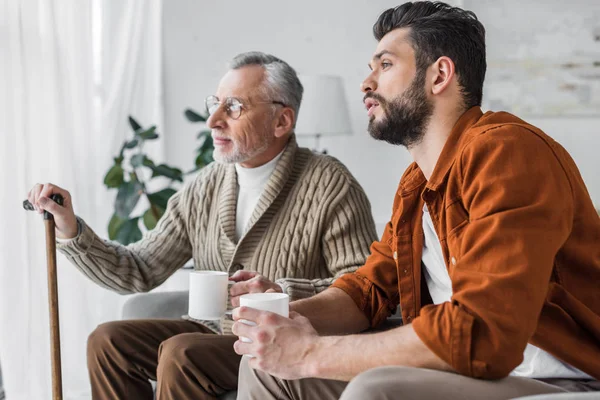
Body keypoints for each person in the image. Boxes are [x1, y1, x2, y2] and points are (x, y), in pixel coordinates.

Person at [231, 3, 600, 399]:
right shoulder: (417, 185)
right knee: (266, 370)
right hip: (474, 371)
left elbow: (483, 332)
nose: (366, 83)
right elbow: (368, 290)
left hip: (559, 377)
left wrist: (309, 353)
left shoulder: (507, 152)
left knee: (377, 388)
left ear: (439, 75)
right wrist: (284, 320)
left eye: (385, 65)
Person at [26, 51, 378, 400]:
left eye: (234, 107)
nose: (212, 120)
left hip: (278, 337)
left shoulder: (331, 184)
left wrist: (281, 293)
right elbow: (138, 270)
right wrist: (70, 228)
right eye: (215, 103)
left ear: (281, 121)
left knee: (183, 353)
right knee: (108, 342)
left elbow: (368, 290)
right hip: (212, 332)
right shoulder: (205, 185)